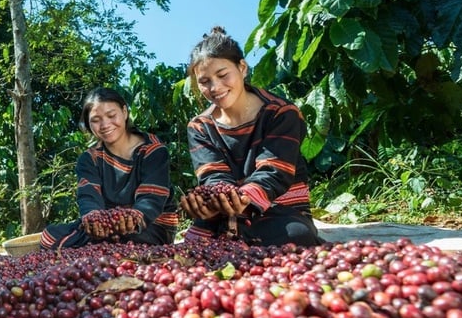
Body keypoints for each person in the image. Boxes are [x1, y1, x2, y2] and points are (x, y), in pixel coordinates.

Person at [180, 26, 322, 247]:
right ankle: (233, 237)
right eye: (204, 81)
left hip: (279, 209)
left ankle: (233, 239)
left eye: (222, 75)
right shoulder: (200, 126)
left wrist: (243, 199)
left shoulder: (281, 113)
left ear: (242, 68)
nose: (215, 87)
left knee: (296, 235)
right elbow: (213, 177)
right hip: (225, 214)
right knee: (194, 245)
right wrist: (214, 202)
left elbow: (274, 173)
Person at [40, 87, 180, 250]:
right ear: (88, 124)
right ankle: (106, 244)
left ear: (125, 112)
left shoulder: (153, 150)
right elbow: (88, 197)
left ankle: (106, 246)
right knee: (50, 235)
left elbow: (152, 199)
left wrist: (131, 219)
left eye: (111, 115)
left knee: (126, 239)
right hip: (107, 226)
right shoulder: (89, 159)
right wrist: (94, 220)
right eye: (96, 120)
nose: (105, 124)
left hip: (151, 225)